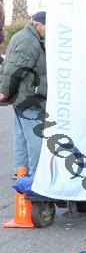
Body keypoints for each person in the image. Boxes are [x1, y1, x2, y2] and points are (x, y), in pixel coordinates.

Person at [0, 12, 47, 178]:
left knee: (21, 135)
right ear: (38, 25)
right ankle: (35, 173)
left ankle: (20, 171)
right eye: (47, 26)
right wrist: (4, 91)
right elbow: (14, 70)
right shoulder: (30, 42)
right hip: (29, 98)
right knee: (35, 137)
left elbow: (8, 65)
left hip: (21, 97)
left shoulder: (24, 36)